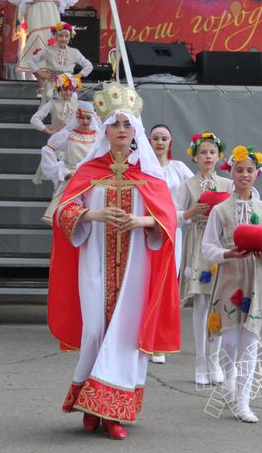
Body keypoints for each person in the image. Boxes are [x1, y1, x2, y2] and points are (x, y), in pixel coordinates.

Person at [48, 82, 180, 440]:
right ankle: (90, 403)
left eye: (127, 125)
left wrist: (140, 221)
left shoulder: (148, 174)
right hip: (94, 262)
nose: (121, 131)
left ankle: (111, 412)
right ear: (104, 130)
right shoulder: (90, 170)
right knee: (95, 329)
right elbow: (65, 210)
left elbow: (167, 219)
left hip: (135, 267)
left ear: (135, 130)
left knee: (124, 333)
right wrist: (93, 216)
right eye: (115, 125)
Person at [202, 145, 262, 423]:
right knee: (229, 339)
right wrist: (227, 253)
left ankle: (244, 402)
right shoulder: (221, 210)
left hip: (258, 278)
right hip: (230, 277)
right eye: (239, 170)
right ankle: (229, 386)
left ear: (257, 174)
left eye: (249, 170)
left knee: (250, 341)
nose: (244, 175)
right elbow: (207, 247)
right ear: (231, 173)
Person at [177, 132, 232, 386]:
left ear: (219, 156)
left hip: (220, 244)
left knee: (218, 303)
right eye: (203, 153)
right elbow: (174, 215)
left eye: (212, 152)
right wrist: (192, 211)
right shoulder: (188, 184)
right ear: (195, 157)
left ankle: (215, 360)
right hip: (199, 242)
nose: (208, 157)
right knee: (201, 302)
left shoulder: (228, 184)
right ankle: (200, 361)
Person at [147, 124, 193, 364]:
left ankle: (159, 343)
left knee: (167, 285)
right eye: (155, 138)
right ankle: (144, 337)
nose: (159, 142)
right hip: (145, 230)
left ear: (170, 142)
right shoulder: (142, 167)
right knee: (146, 284)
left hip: (172, 232)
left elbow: (195, 191)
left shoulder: (179, 169)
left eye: (164, 138)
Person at [38, 101, 100, 225]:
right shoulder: (68, 135)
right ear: (77, 118)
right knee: (66, 217)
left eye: (88, 118)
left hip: (92, 179)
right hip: (72, 178)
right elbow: (47, 148)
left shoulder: (98, 137)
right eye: (82, 118)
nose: (85, 121)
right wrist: (61, 170)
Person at [27, 22, 93, 104]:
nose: (64, 39)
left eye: (66, 36)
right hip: (51, 86)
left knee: (68, 110)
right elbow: (30, 61)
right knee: (49, 109)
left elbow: (89, 66)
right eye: (60, 36)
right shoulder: (48, 50)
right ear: (56, 36)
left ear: (70, 37)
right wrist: (40, 72)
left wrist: (77, 76)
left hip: (68, 87)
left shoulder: (74, 52)